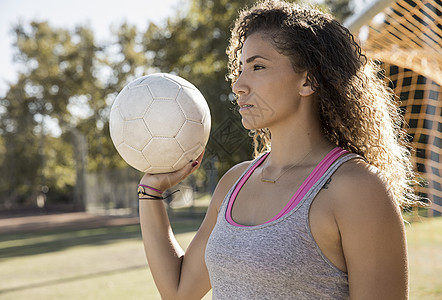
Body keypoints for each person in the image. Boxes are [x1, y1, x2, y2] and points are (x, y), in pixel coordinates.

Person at [137, 0, 419, 299]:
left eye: (258, 66)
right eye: (240, 68)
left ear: (308, 80)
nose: (238, 85)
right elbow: (179, 291)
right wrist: (150, 191)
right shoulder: (234, 183)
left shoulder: (356, 189)